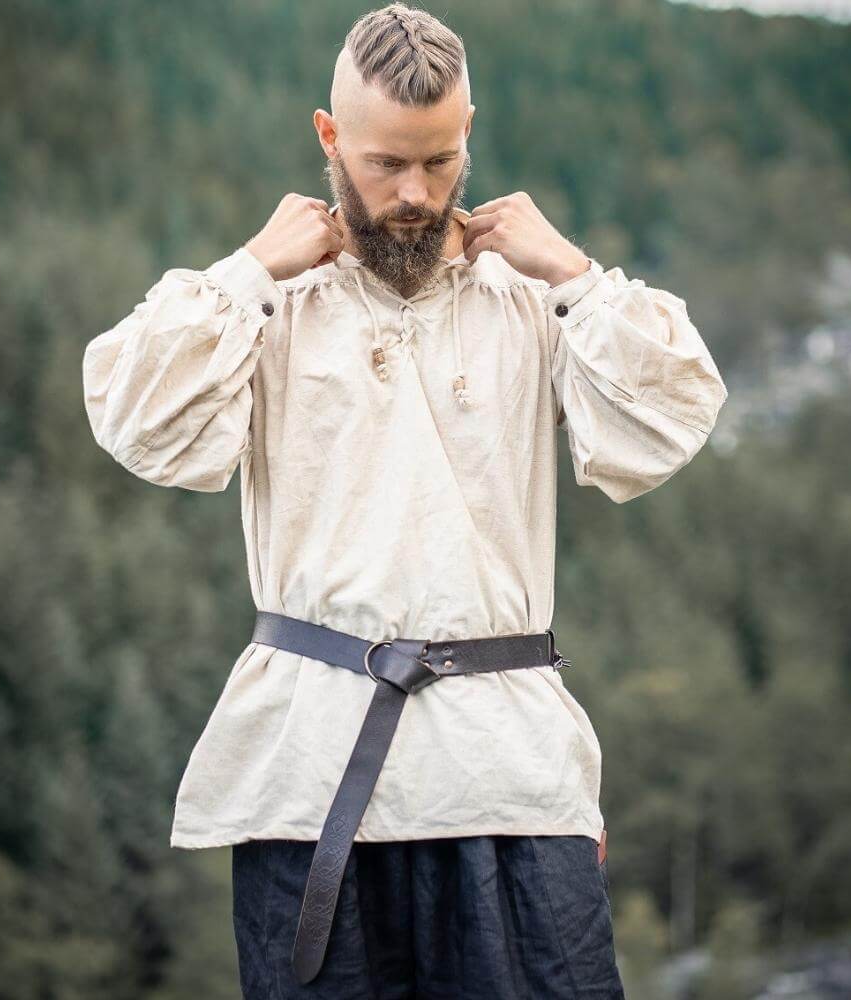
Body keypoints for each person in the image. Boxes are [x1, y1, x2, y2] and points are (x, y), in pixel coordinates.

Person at [82, 3, 728, 996]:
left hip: (509, 778)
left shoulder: (530, 300)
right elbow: (139, 427)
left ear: (468, 132)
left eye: (439, 160)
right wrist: (245, 273)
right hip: (312, 781)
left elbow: (667, 426)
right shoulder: (267, 309)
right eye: (386, 163)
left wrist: (577, 275)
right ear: (329, 136)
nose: (416, 193)